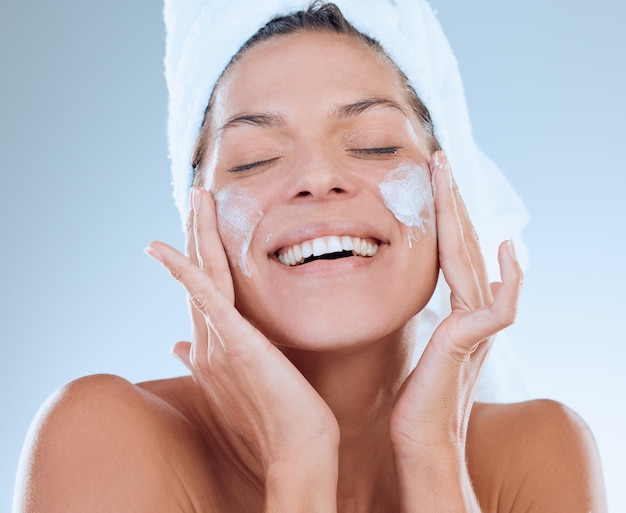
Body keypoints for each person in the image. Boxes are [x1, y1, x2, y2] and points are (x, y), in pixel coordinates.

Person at [13, 1, 607, 512]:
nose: (319, 178)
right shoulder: (104, 437)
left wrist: (433, 448)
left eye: (373, 144)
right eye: (254, 159)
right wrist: (298, 459)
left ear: (451, 193)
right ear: (200, 223)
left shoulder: (542, 451)